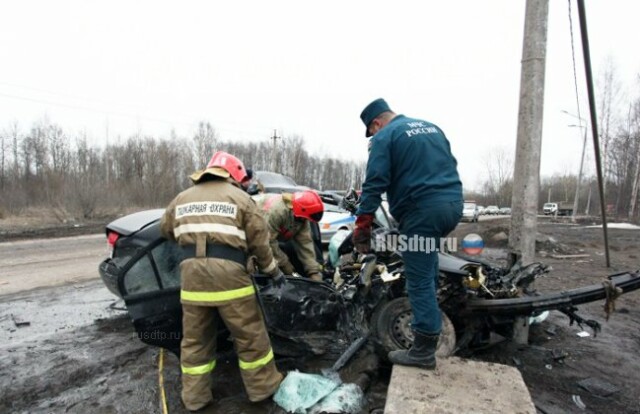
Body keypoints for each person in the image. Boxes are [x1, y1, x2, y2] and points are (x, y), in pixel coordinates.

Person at [160, 151, 286, 411]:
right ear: (233, 175)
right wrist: (273, 271)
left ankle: (195, 399)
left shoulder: (180, 199)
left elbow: (166, 231)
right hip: (230, 278)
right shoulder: (240, 198)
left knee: (195, 341)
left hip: (192, 278)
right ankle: (262, 388)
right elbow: (260, 242)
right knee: (250, 335)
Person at [354, 98, 463, 369]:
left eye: (372, 131)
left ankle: (423, 351)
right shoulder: (432, 128)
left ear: (375, 124)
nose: (373, 135)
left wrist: (362, 226)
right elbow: (449, 164)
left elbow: (374, 184)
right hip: (452, 206)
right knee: (428, 264)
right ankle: (431, 323)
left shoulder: (385, 137)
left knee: (418, 278)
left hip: (422, 212)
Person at [254, 191, 325, 281]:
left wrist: (313, 271)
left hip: (273, 237)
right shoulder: (277, 211)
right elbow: (268, 242)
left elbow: (305, 243)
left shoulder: (302, 217)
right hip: (258, 238)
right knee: (266, 269)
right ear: (301, 209)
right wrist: (284, 263)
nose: (306, 221)